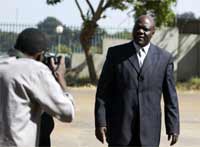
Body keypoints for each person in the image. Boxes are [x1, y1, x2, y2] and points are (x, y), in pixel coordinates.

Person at [95, 15, 180, 147]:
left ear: (153, 32)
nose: (140, 31)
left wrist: (173, 126)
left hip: (149, 132)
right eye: (137, 28)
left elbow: (171, 97)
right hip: (120, 129)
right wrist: (101, 122)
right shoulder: (115, 54)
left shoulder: (164, 59)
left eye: (145, 29)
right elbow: (102, 92)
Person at [0, 28, 75, 147]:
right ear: (40, 55)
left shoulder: (2, 66)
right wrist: (60, 78)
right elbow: (67, 113)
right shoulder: (36, 71)